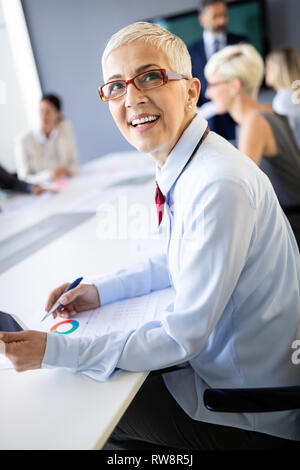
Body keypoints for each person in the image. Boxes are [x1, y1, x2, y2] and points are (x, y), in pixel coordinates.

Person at [1, 22, 300, 451]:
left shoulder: (218, 183)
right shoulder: (193, 164)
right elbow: (174, 258)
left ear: (192, 91)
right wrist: (100, 291)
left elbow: (182, 337)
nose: (133, 97)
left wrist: (53, 350)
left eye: (150, 77)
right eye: (116, 87)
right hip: (232, 377)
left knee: (79, 416)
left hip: (246, 409)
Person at [204, 43, 300, 248]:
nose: (208, 93)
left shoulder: (253, 124)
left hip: (292, 230)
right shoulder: (267, 111)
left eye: (212, 84)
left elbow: (237, 192)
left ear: (234, 85)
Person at [188, 0, 247, 142]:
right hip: (207, 126)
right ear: (202, 19)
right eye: (215, 16)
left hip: (240, 120)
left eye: (224, 15)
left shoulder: (241, 43)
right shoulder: (190, 51)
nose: (222, 21)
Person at [14, 94, 78, 182]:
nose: (43, 116)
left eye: (48, 112)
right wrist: (49, 175)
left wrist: (68, 171)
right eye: (41, 111)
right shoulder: (24, 140)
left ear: (58, 114)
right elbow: (24, 179)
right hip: (42, 190)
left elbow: (74, 163)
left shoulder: (65, 128)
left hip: (66, 183)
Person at [265, 46, 300, 148]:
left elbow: (285, 141)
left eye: (268, 67)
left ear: (277, 70)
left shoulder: (283, 100)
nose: (265, 71)